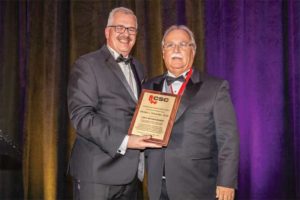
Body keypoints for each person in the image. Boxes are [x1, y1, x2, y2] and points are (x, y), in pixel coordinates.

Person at [67, 7, 161, 200]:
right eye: (120, 27)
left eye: (131, 29)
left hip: (131, 175)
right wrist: (126, 142)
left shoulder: (138, 67)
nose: (126, 34)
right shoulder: (87, 64)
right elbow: (82, 117)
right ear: (107, 31)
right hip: (97, 173)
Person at [144, 25, 239, 200]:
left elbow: (228, 139)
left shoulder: (215, 88)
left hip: (198, 186)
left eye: (183, 44)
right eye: (170, 45)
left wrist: (226, 181)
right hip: (157, 187)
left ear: (193, 51)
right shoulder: (149, 86)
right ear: (163, 52)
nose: (176, 49)